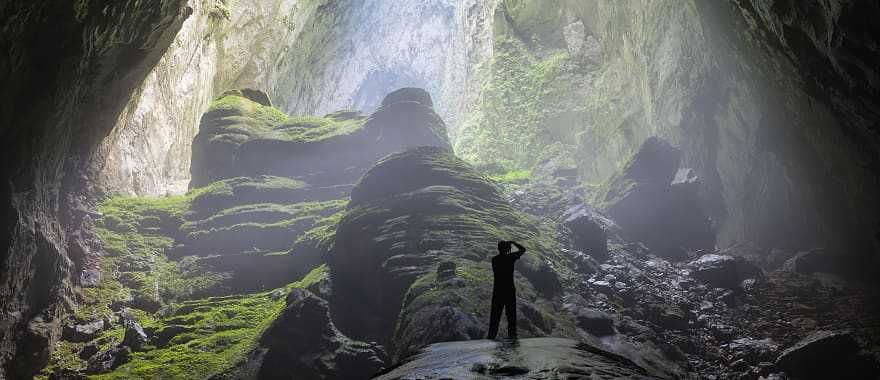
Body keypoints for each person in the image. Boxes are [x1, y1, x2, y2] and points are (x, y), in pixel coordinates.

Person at [487, 240, 526, 340]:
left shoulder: (494, 259)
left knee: (495, 318)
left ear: (498, 249)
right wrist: (513, 242)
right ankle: (512, 338)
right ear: (508, 249)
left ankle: (491, 337)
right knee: (511, 317)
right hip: (509, 291)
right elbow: (523, 249)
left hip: (497, 292)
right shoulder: (511, 258)